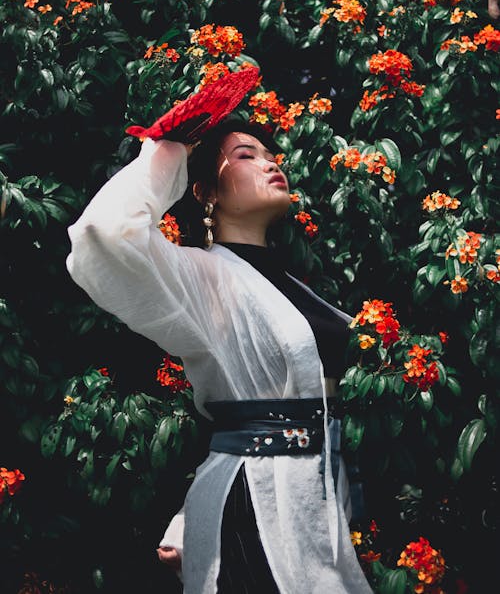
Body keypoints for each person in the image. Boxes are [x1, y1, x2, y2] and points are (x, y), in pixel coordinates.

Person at [66, 113, 374, 594]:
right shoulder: (204, 277)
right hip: (256, 507)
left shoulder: (295, 289)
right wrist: (172, 147)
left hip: (318, 506)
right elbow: (104, 233)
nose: (272, 165)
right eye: (246, 156)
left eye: (272, 157)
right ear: (206, 192)